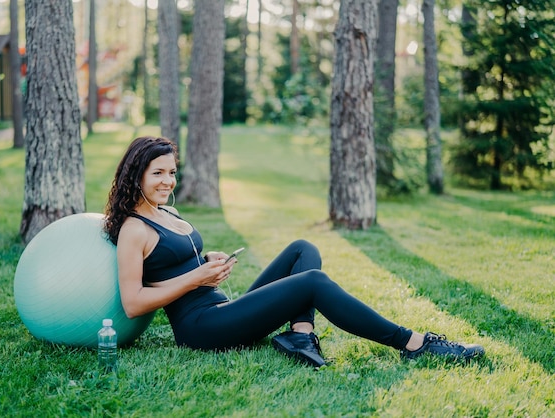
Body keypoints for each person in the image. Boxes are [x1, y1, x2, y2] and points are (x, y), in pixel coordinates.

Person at [103, 136, 485, 367]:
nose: (168, 181)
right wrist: (197, 278)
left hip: (221, 308)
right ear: (136, 175)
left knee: (303, 249)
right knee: (313, 282)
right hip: (202, 328)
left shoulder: (164, 210)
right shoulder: (134, 229)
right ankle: (413, 343)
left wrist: (206, 260)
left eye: (171, 172)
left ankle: (301, 334)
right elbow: (134, 302)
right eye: (158, 173)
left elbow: (174, 258)